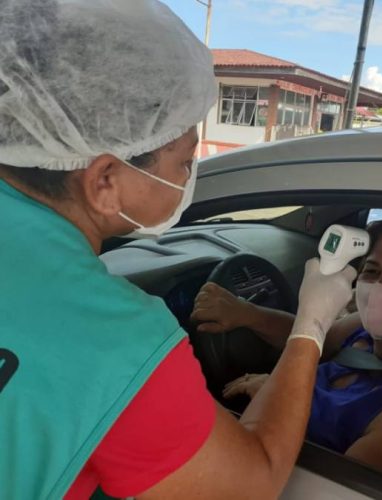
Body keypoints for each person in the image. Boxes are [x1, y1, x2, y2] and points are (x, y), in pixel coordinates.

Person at [0, 1, 357, 499]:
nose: (189, 179)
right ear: (105, 179)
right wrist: (311, 324)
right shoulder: (112, 335)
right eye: (186, 162)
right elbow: (253, 482)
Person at [192, 212, 382, 478]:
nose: (378, 289)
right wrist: (247, 314)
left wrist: (274, 398)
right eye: (372, 270)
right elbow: (312, 337)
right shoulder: (362, 328)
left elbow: (331, 490)